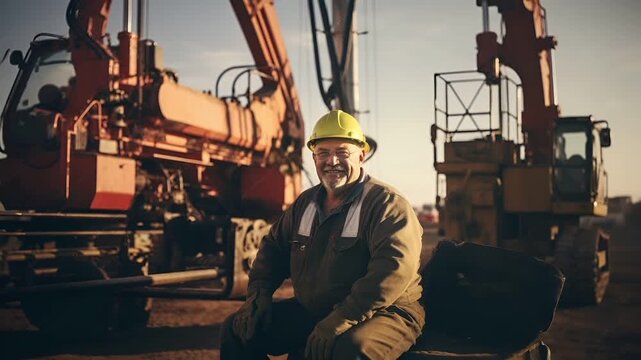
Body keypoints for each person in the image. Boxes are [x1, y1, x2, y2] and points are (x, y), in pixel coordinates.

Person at [220, 110, 425, 359]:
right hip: (316, 311)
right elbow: (273, 249)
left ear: (361, 155)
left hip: (387, 312)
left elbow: (393, 270)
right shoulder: (305, 203)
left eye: (342, 152)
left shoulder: (385, 204)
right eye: (323, 153)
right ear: (314, 156)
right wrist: (257, 297)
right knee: (238, 330)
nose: (332, 161)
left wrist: (342, 318)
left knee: (348, 350)